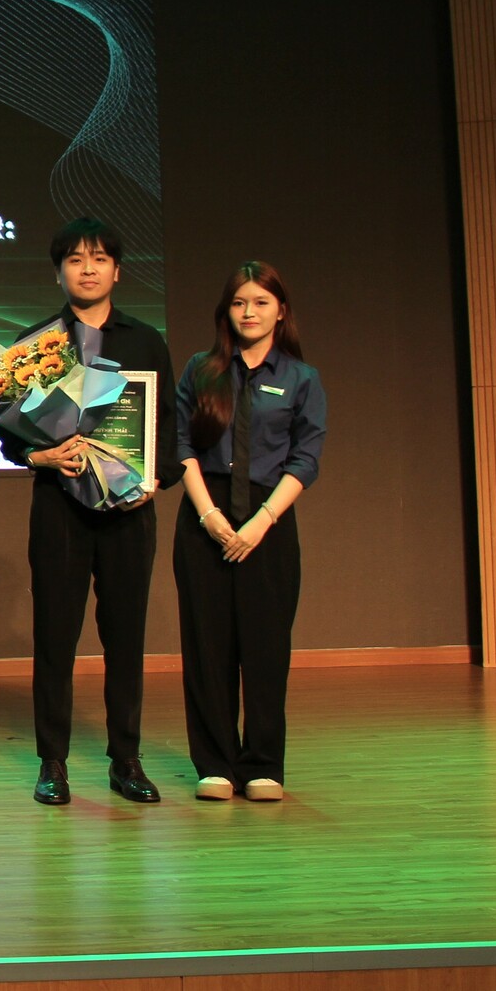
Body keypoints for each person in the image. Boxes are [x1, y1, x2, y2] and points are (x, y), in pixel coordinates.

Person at [0, 217, 176, 807]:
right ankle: (52, 762)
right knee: (55, 637)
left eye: (99, 258)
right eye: (75, 259)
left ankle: (126, 760)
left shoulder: (146, 340)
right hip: (60, 509)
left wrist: (156, 479)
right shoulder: (35, 344)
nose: (88, 268)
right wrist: (40, 455)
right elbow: (11, 438)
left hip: (129, 512)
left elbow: (168, 428)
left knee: (125, 638)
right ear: (59, 272)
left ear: (117, 270)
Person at [173, 261, 326, 803]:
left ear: (280, 310)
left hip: (269, 521)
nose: (249, 312)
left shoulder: (301, 378)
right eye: (239, 303)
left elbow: (306, 458)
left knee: (265, 647)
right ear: (226, 310)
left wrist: (261, 521)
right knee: (207, 647)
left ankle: (263, 764)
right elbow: (181, 444)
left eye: (261, 302)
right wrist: (209, 516)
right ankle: (214, 763)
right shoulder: (201, 369)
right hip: (205, 519)